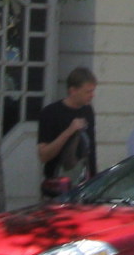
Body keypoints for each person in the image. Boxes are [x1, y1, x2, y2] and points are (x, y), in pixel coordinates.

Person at [36, 68, 98, 197]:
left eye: (93, 91)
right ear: (73, 91)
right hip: (57, 188)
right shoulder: (51, 113)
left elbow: (91, 150)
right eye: (88, 91)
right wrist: (69, 131)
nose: (92, 95)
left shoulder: (88, 111)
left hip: (84, 188)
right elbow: (43, 156)